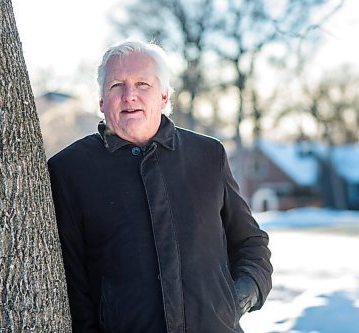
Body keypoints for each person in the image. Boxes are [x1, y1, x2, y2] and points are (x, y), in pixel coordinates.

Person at [48, 40, 273, 333]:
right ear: (102, 100)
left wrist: (242, 296)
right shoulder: (69, 170)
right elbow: (71, 280)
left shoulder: (208, 155)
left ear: (164, 96)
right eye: (117, 85)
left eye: (143, 84)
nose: (130, 96)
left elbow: (250, 243)